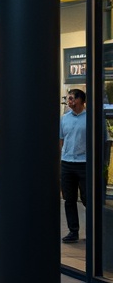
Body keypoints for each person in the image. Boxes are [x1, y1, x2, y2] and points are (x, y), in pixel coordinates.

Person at [61, 89, 89, 243]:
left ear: (80, 100)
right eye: (68, 98)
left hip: (84, 164)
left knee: (87, 199)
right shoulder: (64, 119)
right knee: (69, 199)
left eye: (71, 98)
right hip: (67, 164)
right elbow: (60, 140)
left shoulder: (90, 118)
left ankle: (91, 231)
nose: (69, 101)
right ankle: (73, 231)